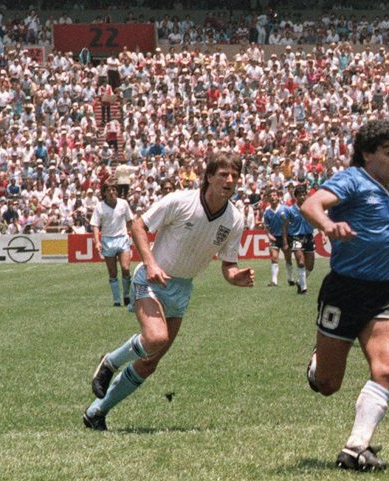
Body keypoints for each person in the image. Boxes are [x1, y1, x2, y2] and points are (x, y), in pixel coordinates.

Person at [83, 152, 254, 431]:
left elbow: (229, 264)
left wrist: (236, 277)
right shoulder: (180, 201)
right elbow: (138, 224)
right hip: (152, 280)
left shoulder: (234, 219)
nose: (230, 180)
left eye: (234, 175)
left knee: (150, 363)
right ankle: (110, 361)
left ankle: (97, 412)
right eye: (223, 174)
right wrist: (150, 263)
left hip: (182, 289)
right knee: (156, 337)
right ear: (209, 176)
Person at [300, 120, 389, 472]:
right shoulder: (353, 179)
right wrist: (328, 225)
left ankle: (356, 447)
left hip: (382, 293)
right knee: (329, 385)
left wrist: (388, 268)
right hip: (344, 291)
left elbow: (381, 236)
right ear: (367, 155)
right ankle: (318, 365)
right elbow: (312, 204)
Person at [90, 178, 134, 307]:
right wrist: (97, 241)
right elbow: (95, 226)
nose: (111, 192)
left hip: (122, 238)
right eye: (108, 190)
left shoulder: (123, 204)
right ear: (104, 192)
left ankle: (126, 295)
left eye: (113, 189)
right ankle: (116, 300)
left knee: (126, 268)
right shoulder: (99, 207)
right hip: (108, 240)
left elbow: (130, 222)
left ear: (117, 191)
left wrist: (135, 237)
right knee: (112, 272)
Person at [281, 184, 316, 295]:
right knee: (300, 262)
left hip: (309, 237)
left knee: (310, 266)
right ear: (296, 196)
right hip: (296, 237)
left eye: (304, 194)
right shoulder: (290, 210)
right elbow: (285, 226)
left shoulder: (310, 208)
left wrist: (323, 234)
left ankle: (300, 281)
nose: (302, 197)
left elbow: (316, 221)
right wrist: (285, 242)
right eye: (300, 195)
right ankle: (303, 289)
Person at [261, 189, 291, 287]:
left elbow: (290, 222)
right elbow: (266, 226)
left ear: (278, 197)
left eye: (274, 195)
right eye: (271, 196)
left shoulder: (285, 209)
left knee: (288, 258)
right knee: (274, 258)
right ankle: (274, 281)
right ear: (268, 198)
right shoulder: (267, 212)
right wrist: (268, 235)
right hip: (274, 238)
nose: (273, 197)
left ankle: (290, 278)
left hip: (285, 237)